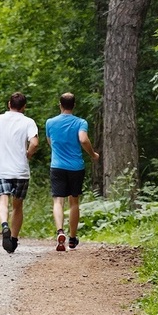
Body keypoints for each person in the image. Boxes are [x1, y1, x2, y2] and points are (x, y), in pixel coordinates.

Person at [0, 92, 39, 253]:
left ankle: (4, 224)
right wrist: (28, 154)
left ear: (9, 104)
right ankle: (13, 239)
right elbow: (34, 143)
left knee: (2, 201)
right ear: (24, 107)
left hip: (0, 169)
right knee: (17, 206)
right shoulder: (28, 122)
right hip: (20, 170)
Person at [45, 92, 100, 251]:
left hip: (57, 166)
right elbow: (83, 139)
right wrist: (93, 154)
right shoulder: (80, 122)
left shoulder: (50, 122)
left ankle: (60, 231)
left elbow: (50, 142)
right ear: (74, 105)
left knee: (58, 200)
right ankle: (72, 238)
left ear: (60, 105)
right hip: (76, 167)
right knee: (74, 201)